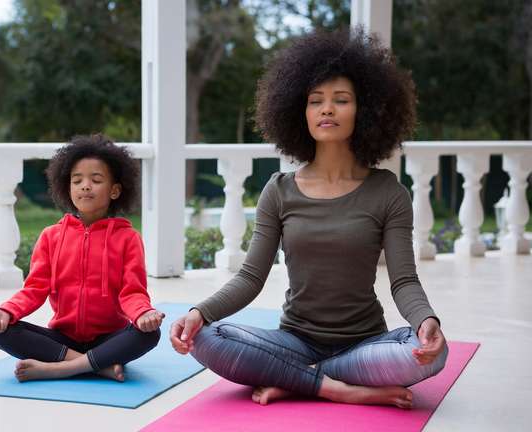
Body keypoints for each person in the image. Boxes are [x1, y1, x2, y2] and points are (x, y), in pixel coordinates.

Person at [170, 28, 448, 409]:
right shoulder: (279, 190)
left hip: (364, 343)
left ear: (365, 110)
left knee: (435, 352)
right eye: (316, 101)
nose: (327, 109)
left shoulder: (388, 192)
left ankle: (295, 378)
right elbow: (251, 277)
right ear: (300, 112)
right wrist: (199, 312)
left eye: (341, 100)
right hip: (295, 339)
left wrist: (426, 321)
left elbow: (403, 281)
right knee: (205, 336)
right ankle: (334, 387)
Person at [0, 134, 164, 383]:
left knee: (149, 334)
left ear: (115, 190)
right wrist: (6, 311)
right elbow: (34, 289)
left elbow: (132, 292)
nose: (85, 185)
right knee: (3, 334)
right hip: (63, 339)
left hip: (109, 338)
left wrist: (143, 314)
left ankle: (60, 369)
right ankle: (97, 366)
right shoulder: (51, 236)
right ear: (68, 188)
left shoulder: (128, 238)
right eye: (77, 180)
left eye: (96, 180)